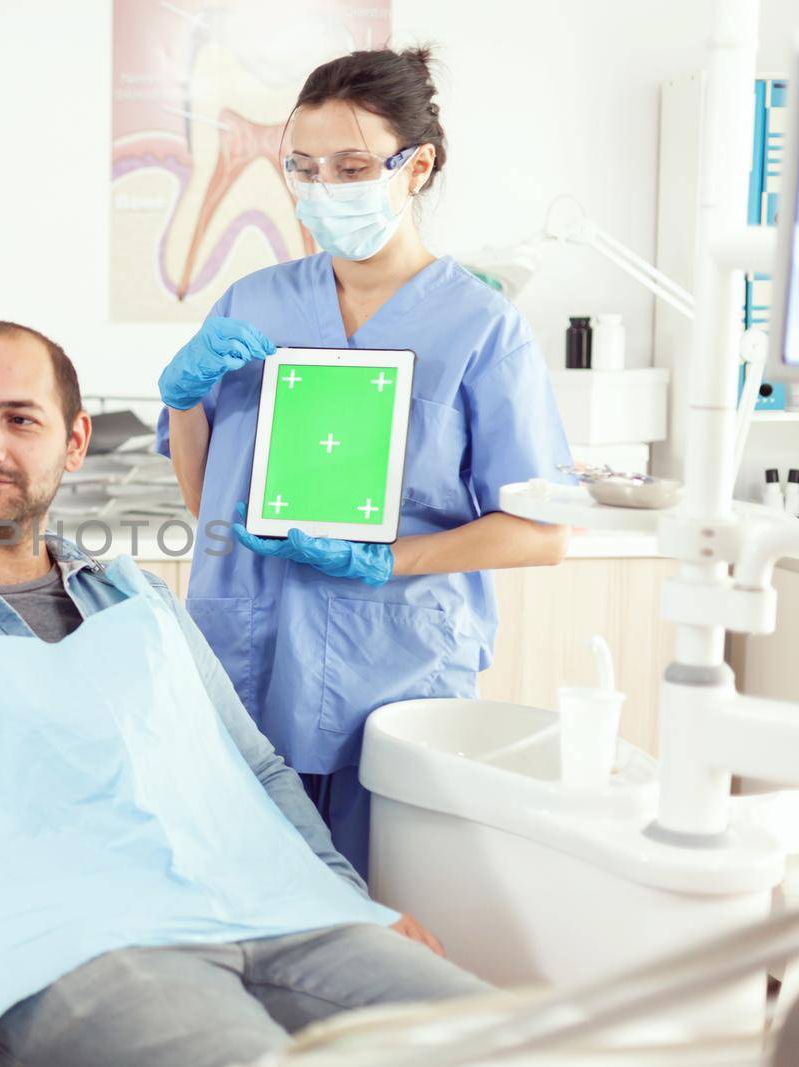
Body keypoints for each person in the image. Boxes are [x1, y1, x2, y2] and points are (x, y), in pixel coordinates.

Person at [0, 320, 490, 1067]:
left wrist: (348, 901)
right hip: (74, 953)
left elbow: (260, 771)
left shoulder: (146, 604)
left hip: (283, 915)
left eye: (20, 418)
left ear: (74, 442)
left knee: (520, 1041)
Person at [158, 47, 573, 878]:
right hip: (245, 661)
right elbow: (211, 499)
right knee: (252, 915)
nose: (323, 190)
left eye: (351, 167)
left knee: (390, 915)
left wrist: (385, 558)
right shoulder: (256, 304)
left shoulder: (481, 328)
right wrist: (182, 399)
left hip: (395, 674)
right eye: (303, 168)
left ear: (415, 166)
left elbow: (541, 532)